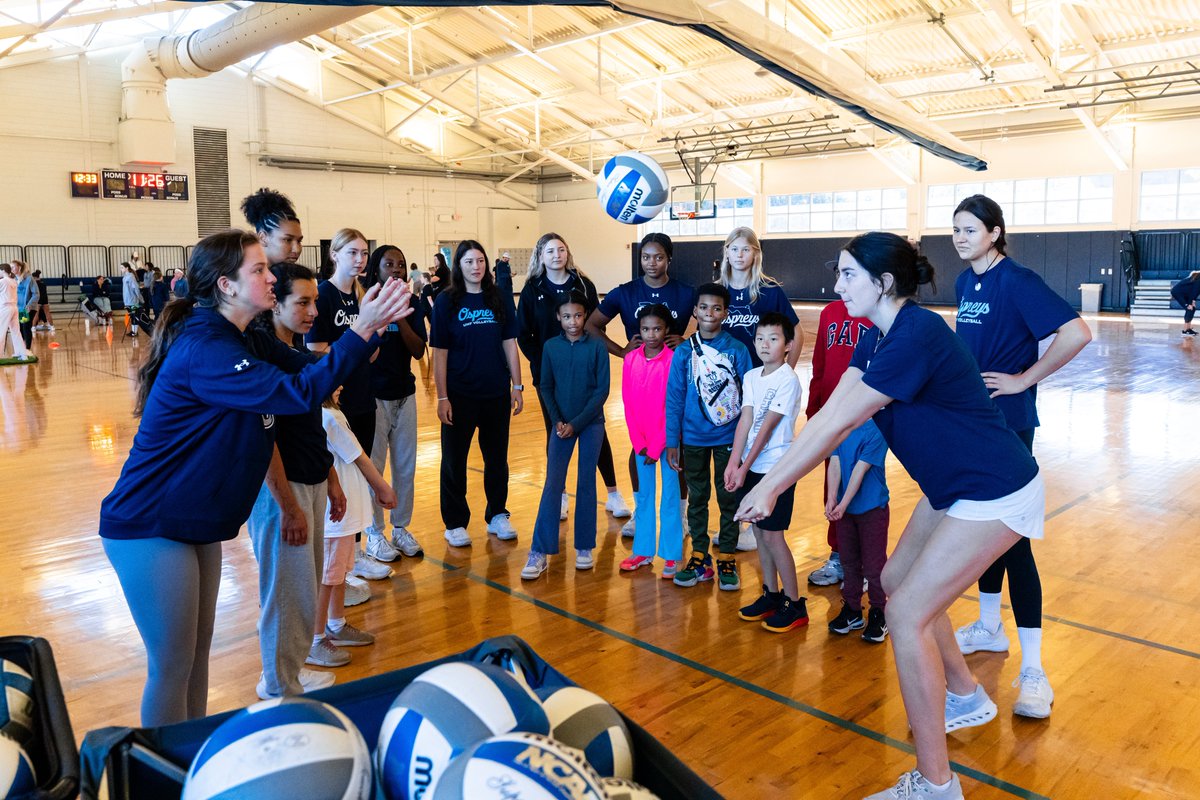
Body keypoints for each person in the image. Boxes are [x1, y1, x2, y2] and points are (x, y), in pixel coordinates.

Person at [737, 232, 1046, 800]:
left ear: (883, 283)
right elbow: (831, 413)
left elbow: (842, 423)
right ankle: (965, 694)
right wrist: (773, 478)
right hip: (954, 488)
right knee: (897, 580)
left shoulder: (915, 335)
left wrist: (773, 484)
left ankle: (936, 785)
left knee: (905, 614)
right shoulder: (875, 336)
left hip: (995, 489)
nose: (836, 285)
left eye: (848, 274)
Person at [97, 229, 412, 726]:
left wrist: (367, 332)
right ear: (226, 285)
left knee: (195, 656)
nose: (271, 276)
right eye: (259, 269)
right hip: (149, 524)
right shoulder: (206, 346)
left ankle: (191, 753)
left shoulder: (247, 338)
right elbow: (295, 394)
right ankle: (161, 765)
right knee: (173, 665)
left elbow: (311, 368)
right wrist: (360, 330)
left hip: (195, 521)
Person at [950, 194, 1091, 720]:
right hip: (973, 424)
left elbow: (1076, 332)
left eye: (970, 229)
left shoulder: (1018, 280)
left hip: (1009, 426)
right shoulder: (965, 283)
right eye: (956, 229)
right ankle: (989, 626)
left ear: (994, 233)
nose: (960, 237)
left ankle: (1034, 670)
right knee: (983, 533)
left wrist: (1023, 380)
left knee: (1013, 539)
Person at [244, 262, 343, 699]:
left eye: (315, 302)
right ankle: (278, 685)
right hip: (283, 492)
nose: (313, 312)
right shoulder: (265, 359)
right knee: (285, 593)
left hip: (310, 481)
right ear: (275, 305)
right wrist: (287, 506)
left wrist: (331, 480)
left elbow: (311, 429)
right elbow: (264, 442)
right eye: (302, 303)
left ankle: (288, 674)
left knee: (302, 589)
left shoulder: (295, 353)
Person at [586, 232, 695, 538]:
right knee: (641, 445)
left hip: (674, 378)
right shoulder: (625, 292)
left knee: (675, 446)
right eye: (646, 257)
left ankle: (680, 515)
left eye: (658, 257)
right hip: (640, 380)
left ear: (669, 259)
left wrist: (688, 342)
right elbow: (592, 325)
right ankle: (641, 511)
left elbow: (712, 320)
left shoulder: (686, 293)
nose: (652, 263)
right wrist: (621, 351)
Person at [518, 232, 631, 523]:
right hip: (550, 376)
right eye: (550, 251)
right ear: (540, 256)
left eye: (561, 250)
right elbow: (524, 334)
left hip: (585, 373)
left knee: (595, 429)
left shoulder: (583, 284)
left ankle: (613, 493)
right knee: (556, 431)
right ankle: (560, 496)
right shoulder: (532, 289)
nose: (556, 255)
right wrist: (545, 364)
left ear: (567, 253)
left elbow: (594, 326)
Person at [305, 229, 392, 583]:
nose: (360, 259)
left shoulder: (361, 296)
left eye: (364, 253)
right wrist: (356, 341)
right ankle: (339, 561)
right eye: (352, 252)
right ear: (335, 255)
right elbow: (315, 351)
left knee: (357, 480)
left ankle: (354, 555)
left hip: (363, 396)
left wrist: (377, 332)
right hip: (335, 400)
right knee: (341, 479)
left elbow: (369, 356)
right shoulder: (324, 295)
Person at [430, 240, 523, 547]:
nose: (476, 266)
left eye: (480, 260)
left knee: (497, 459)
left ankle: (497, 514)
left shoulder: (499, 297)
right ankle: (455, 522)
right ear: (459, 265)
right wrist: (442, 397)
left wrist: (517, 386)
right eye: (469, 261)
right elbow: (440, 352)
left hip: (495, 393)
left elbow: (510, 343)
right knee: (454, 461)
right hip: (459, 395)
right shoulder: (446, 301)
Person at [717, 226, 803, 552]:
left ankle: (754, 522)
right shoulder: (719, 291)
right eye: (734, 249)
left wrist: (784, 372)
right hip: (725, 390)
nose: (740, 255)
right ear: (726, 253)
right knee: (731, 453)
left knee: (761, 451)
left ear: (755, 254)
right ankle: (734, 520)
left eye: (746, 249)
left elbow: (795, 332)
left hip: (760, 388)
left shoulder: (769, 291)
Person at [665, 283, 752, 591]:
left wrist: (744, 441)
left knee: (729, 497)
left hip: (728, 437)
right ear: (695, 311)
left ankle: (727, 555)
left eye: (716, 308)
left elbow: (748, 399)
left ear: (725, 313)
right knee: (697, 498)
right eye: (703, 307)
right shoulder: (683, 352)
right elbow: (674, 397)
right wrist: (672, 440)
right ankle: (699, 555)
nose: (709, 313)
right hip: (692, 439)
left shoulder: (738, 350)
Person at [723, 313, 804, 630]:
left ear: (788, 345)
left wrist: (744, 467)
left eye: (773, 338)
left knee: (773, 535)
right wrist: (734, 461)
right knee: (758, 532)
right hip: (751, 465)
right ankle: (771, 594)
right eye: (760, 338)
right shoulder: (752, 376)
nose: (765, 344)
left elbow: (768, 428)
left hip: (777, 468)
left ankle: (794, 604)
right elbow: (746, 419)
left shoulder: (788, 379)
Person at [521, 291, 610, 580]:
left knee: (586, 482)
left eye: (579, 316)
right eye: (567, 316)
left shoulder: (597, 347)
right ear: (558, 317)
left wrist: (577, 423)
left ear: (586, 316)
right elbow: (546, 386)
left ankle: (584, 546)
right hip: (561, 425)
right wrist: (558, 420)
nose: (573, 322)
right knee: (553, 484)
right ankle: (539, 550)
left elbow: (602, 391)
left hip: (591, 424)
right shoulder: (550, 347)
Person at [310, 387, 397, 669]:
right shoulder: (329, 417)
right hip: (336, 519)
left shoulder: (332, 413)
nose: (342, 387)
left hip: (345, 520)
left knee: (338, 575)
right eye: (335, 382)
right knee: (327, 577)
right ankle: (315, 639)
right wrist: (382, 487)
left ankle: (336, 624)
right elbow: (359, 457)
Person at [363, 244, 427, 563]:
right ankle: (374, 533)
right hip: (373, 397)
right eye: (389, 264)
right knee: (374, 469)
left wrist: (401, 318)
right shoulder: (367, 302)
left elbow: (418, 350)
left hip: (405, 394)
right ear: (377, 269)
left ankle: (400, 527)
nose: (397, 270)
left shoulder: (413, 303)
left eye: (400, 264)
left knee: (405, 466)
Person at [806, 298, 874, 587]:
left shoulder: (877, 314)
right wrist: (814, 409)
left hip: (866, 416)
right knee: (832, 487)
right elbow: (819, 366)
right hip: (831, 415)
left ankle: (864, 562)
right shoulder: (829, 312)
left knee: (865, 490)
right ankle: (838, 555)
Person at [619, 304, 684, 579]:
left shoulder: (674, 360)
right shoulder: (630, 360)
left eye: (657, 329)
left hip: (668, 444)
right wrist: (638, 441)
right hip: (641, 444)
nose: (651, 334)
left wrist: (659, 444)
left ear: (666, 329)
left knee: (670, 497)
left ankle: (670, 554)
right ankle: (643, 551)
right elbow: (628, 402)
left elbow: (674, 406)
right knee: (643, 496)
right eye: (645, 329)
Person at [824, 418, 890, 644]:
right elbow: (834, 462)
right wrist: (832, 497)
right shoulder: (842, 426)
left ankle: (879, 612)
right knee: (848, 562)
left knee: (874, 566)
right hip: (846, 511)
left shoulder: (877, 429)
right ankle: (852, 610)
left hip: (872, 509)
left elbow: (859, 471)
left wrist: (842, 504)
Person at [242, 187, 305, 265]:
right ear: (263, 238)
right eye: (288, 240)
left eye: (299, 241)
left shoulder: (293, 272)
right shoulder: (244, 271)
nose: (297, 249)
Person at [0, 264, 32, 361]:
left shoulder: (3, 281)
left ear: (2, 270)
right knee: (16, 332)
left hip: (5, 308)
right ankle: (22, 354)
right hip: (14, 308)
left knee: (1, 331)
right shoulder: (13, 281)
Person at [121, 262, 151, 337]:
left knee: (134, 316)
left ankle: (134, 332)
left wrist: (141, 299)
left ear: (127, 268)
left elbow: (136, 289)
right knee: (132, 316)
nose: (121, 269)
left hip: (133, 301)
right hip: (127, 301)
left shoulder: (131, 277)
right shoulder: (124, 277)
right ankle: (134, 331)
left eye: (122, 268)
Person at [13, 260, 36, 350]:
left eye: (13, 267)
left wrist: (29, 305)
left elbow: (36, 294)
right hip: (18, 308)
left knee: (25, 327)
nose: (11, 269)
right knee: (20, 329)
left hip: (27, 308)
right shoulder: (14, 280)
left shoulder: (29, 279)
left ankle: (27, 349)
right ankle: (22, 349)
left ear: (19, 267)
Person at [1171, 269, 1199, 336]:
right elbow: (1194, 291)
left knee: (1192, 308)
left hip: (1185, 293)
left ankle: (1188, 329)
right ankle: (1185, 331)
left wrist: (1193, 301)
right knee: (1189, 309)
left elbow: (1196, 292)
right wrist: (1190, 303)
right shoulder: (1199, 279)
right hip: (1178, 293)